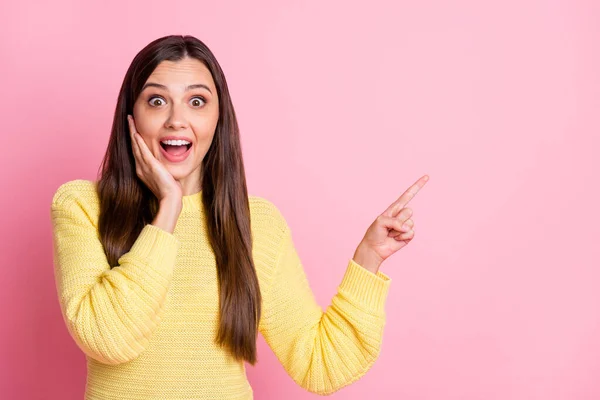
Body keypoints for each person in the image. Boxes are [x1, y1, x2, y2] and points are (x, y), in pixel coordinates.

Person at [50, 34, 429, 400]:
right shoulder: (82, 206)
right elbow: (108, 338)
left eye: (197, 101)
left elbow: (320, 363)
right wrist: (168, 208)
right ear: (131, 117)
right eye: (157, 101)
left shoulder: (256, 223)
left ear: (219, 118)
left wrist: (369, 258)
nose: (177, 120)